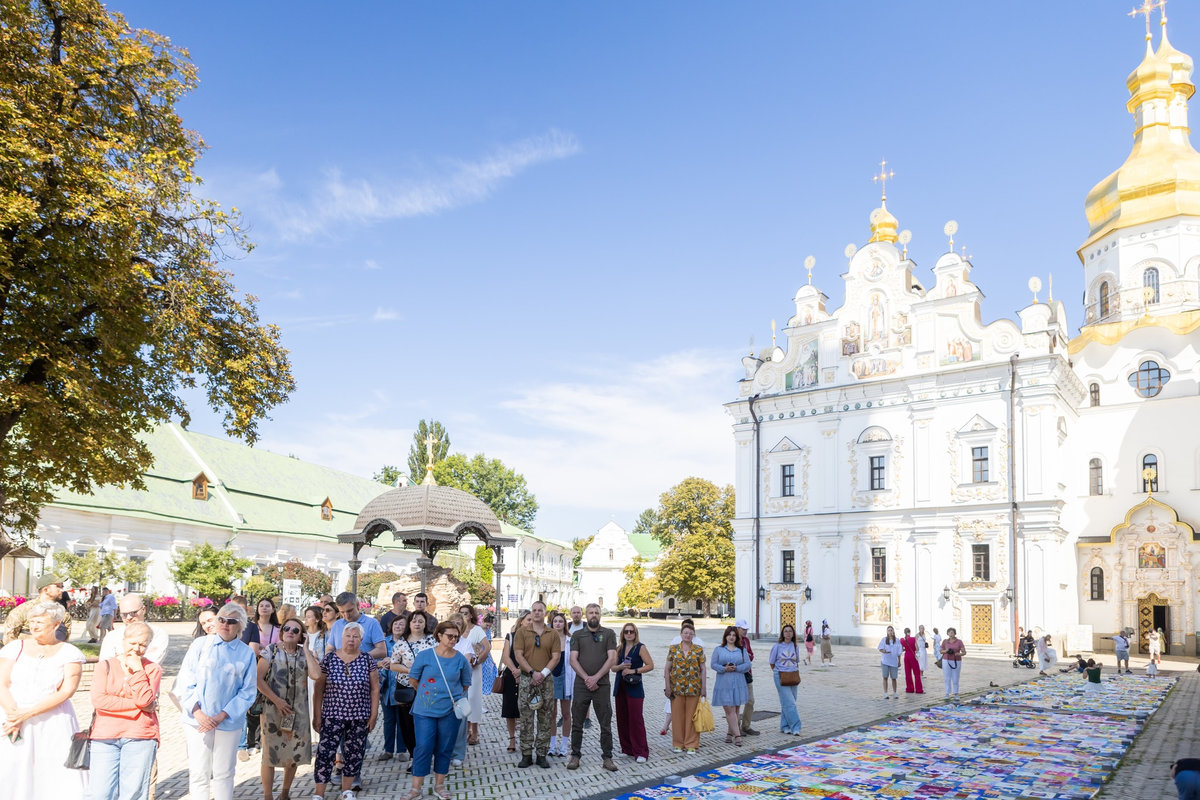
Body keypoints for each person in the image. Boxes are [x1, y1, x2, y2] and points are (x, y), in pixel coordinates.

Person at [0, 601, 87, 797]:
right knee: (11, 769)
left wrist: (27, 713)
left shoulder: (69, 653)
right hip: (12, 717)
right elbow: (1, 683)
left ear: (56, 624)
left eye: (40, 622)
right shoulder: (15, 647)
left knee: (50, 773)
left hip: (52, 720)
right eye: (32, 621)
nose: (34, 626)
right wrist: (14, 716)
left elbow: (66, 691)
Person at [176, 602, 259, 800]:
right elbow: (185, 680)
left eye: (232, 621)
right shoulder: (200, 645)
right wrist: (198, 713)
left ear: (240, 625)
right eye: (222, 619)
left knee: (224, 773)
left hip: (228, 722)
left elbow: (247, 691)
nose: (225, 624)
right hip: (197, 720)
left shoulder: (246, 653)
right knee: (199, 772)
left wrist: (222, 715)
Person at [88, 621, 162, 800]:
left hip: (140, 735)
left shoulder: (152, 669)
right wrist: (139, 706)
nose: (136, 648)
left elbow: (144, 699)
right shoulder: (105, 666)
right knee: (100, 793)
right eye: (132, 643)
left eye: (142, 644)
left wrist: (137, 670)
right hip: (105, 736)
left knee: (133, 793)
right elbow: (99, 701)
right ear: (123, 641)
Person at [404, 621, 471, 800]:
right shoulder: (425, 656)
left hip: (449, 711)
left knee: (444, 748)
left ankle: (439, 786)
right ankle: (416, 788)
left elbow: (465, 684)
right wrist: (427, 694)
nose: (453, 640)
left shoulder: (460, 659)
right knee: (423, 747)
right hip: (424, 710)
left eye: (456, 637)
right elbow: (413, 678)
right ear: (439, 636)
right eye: (450, 636)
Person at [311, 621, 378, 800]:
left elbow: (375, 689)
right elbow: (319, 689)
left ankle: (346, 791)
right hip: (332, 715)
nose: (351, 639)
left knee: (354, 753)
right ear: (341, 638)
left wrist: (374, 714)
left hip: (359, 716)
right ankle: (319, 793)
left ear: (361, 640)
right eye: (348, 636)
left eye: (355, 636)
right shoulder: (329, 659)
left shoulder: (367, 660)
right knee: (325, 753)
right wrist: (317, 715)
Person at [257, 618, 311, 800]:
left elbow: (317, 675)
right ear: (281, 632)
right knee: (269, 755)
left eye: (296, 630)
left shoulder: (305, 654)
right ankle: (268, 796)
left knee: (293, 753)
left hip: (298, 713)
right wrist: (277, 701)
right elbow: (258, 679)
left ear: (301, 636)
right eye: (287, 628)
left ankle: (285, 794)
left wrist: (307, 649)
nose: (290, 632)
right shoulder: (271, 650)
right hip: (273, 710)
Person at [567, 603, 618, 771]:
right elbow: (573, 660)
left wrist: (596, 678)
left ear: (600, 615)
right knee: (577, 722)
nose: (594, 615)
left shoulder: (609, 634)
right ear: (586, 615)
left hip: (602, 685)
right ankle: (575, 755)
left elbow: (612, 658)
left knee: (605, 723)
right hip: (581, 685)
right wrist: (587, 678)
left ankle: (607, 757)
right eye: (590, 612)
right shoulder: (578, 635)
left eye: (596, 612)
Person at [512, 600, 561, 768]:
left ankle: (541, 754)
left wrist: (543, 674)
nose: (537, 612)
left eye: (540, 610)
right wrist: (532, 672)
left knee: (545, 718)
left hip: (546, 680)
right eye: (534, 610)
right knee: (526, 718)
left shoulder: (552, 633)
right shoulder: (522, 632)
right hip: (527, 679)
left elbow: (556, 657)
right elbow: (518, 655)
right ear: (531, 613)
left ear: (545, 613)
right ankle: (526, 754)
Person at [379, 613, 431, 765]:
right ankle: (415, 758)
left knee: (425, 723)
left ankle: (426, 755)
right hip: (405, 687)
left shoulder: (432, 641)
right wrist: (410, 671)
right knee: (407, 724)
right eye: (414, 621)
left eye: (420, 621)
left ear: (425, 624)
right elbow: (393, 665)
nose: (417, 624)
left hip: (426, 686)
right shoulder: (401, 642)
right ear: (409, 624)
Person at [612, 621, 653, 762]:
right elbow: (613, 668)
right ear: (622, 634)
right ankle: (627, 749)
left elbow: (650, 665)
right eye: (626, 631)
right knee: (622, 719)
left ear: (635, 633)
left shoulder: (640, 648)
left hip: (634, 688)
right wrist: (621, 667)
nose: (629, 634)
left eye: (631, 631)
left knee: (636, 720)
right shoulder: (619, 648)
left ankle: (641, 752)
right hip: (620, 687)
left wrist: (633, 670)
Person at [663, 621, 706, 753]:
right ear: (681, 634)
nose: (688, 635)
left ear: (693, 635)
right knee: (677, 717)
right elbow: (667, 668)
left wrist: (704, 687)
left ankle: (691, 743)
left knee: (692, 717)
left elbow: (703, 669)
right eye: (685, 633)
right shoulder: (673, 649)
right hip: (676, 688)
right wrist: (667, 686)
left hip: (694, 688)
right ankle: (678, 743)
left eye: (690, 633)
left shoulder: (698, 650)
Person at [100, 592, 170, 665]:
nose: (129, 617)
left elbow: (151, 664)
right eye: (124, 614)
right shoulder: (112, 636)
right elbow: (106, 665)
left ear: (143, 610)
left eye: (133, 613)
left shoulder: (158, 634)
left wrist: (120, 658)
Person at [711, 624, 751, 746]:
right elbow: (713, 664)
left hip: (738, 682)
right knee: (729, 709)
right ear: (725, 636)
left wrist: (737, 668)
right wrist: (724, 668)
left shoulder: (742, 650)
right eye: (729, 635)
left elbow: (748, 665)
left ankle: (729, 733)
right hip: (724, 683)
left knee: (736, 710)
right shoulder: (718, 649)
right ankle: (738, 736)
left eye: (734, 635)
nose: (731, 637)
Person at [2, 573, 66, 644]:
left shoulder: (63, 613)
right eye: (58, 586)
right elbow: (9, 637)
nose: (62, 590)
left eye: (62, 587)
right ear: (46, 590)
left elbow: (65, 639)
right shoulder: (23, 610)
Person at [499, 612, 529, 753]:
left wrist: (521, 670)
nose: (530, 622)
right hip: (511, 676)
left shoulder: (534, 637)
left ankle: (525, 738)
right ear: (521, 621)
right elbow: (506, 657)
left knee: (526, 709)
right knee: (510, 709)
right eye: (528, 619)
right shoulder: (511, 636)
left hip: (527, 674)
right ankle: (512, 739)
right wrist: (514, 671)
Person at [459, 605, 488, 747]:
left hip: (473, 669)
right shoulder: (457, 630)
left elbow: (487, 647)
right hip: (458, 670)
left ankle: (475, 730)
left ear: (471, 615)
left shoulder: (477, 630)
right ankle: (466, 729)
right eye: (461, 613)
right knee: (463, 698)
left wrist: (478, 660)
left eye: (466, 613)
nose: (464, 615)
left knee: (473, 698)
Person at [328, 592, 386, 658]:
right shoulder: (337, 625)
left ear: (358, 605)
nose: (346, 615)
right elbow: (329, 648)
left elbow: (382, 650)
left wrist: (359, 658)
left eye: (350, 611)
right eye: (342, 612)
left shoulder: (372, 623)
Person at [769, 623, 802, 735]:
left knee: (788, 702)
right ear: (782, 634)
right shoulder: (777, 646)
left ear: (793, 634)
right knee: (790, 703)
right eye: (786, 631)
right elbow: (772, 662)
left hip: (793, 676)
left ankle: (785, 726)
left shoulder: (795, 646)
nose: (788, 633)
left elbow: (796, 661)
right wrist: (779, 671)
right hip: (780, 676)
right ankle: (796, 727)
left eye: (790, 631)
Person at [548, 611, 573, 757]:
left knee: (566, 713)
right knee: (552, 713)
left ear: (565, 624)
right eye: (555, 621)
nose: (558, 624)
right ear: (552, 623)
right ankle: (552, 745)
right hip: (551, 677)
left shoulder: (571, 640)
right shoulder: (548, 639)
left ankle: (564, 745)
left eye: (560, 621)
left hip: (565, 678)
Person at [733, 618, 759, 736]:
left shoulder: (746, 641)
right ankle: (735, 728)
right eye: (743, 629)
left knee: (750, 701)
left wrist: (747, 656)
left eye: (746, 629)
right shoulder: (732, 639)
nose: (745, 631)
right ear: (737, 628)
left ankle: (746, 726)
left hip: (747, 674)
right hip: (736, 675)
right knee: (736, 702)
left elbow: (751, 655)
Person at [940, 627, 966, 700]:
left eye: (952, 632)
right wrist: (946, 651)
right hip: (946, 660)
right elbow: (941, 651)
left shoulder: (959, 642)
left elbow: (964, 652)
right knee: (947, 677)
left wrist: (959, 654)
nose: (951, 634)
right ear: (947, 633)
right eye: (949, 632)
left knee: (955, 678)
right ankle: (947, 693)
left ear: (955, 633)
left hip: (956, 661)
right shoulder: (945, 641)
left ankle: (956, 693)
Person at [877, 626, 902, 699]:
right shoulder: (884, 640)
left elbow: (899, 652)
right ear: (887, 632)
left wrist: (899, 661)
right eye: (889, 630)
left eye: (891, 630)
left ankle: (895, 692)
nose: (890, 632)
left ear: (893, 631)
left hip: (893, 662)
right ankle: (885, 693)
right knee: (885, 677)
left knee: (894, 678)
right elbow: (880, 648)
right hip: (885, 661)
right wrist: (884, 651)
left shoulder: (897, 640)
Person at [901, 627, 924, 694]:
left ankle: (909, 689)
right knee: (916, 673)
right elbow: (917, 648)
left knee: (908, 673)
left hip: (906, 656)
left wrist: (906, 649)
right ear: (910, 632)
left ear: (904, 632)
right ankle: (919, 689)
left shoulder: (902, 640)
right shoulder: (913, 639)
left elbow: (902, 649)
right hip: (913, 656)